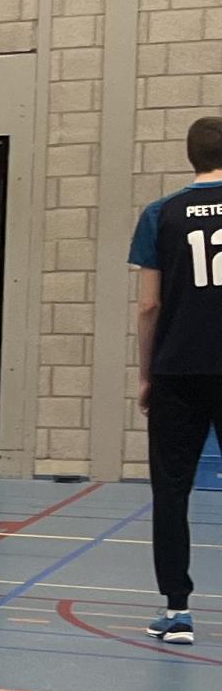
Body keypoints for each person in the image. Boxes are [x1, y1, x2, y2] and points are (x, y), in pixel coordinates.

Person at [129, 112, 222, 645]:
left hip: (178, 370)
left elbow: (149, 305)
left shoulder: (160, 213)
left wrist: (146, 374)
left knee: (171, 490)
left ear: (191, 156)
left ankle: (178, 610)